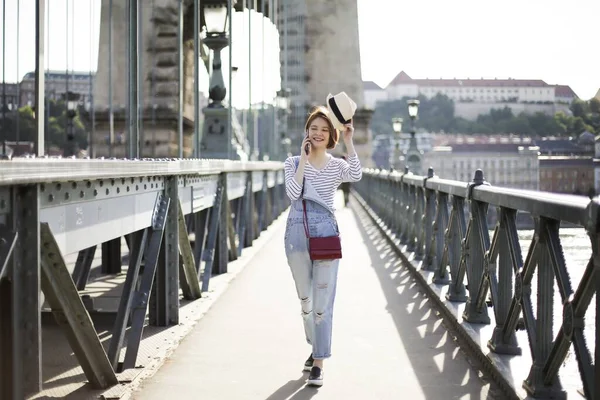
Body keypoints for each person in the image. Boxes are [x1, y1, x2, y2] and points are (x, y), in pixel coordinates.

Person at [283, 105, 362, 386]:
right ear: (307, 132)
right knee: (306, 302)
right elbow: (293, 194)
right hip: (297, 234)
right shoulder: (292, 163)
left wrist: (350, 139)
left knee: (322, 305)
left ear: (331, 135)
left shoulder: (336, 165)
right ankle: (314, 346)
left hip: (326, 232)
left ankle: (318, 362)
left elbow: (356, 174)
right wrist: (303, 161)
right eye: (313, 128)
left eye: (324, 129)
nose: (317, 133)